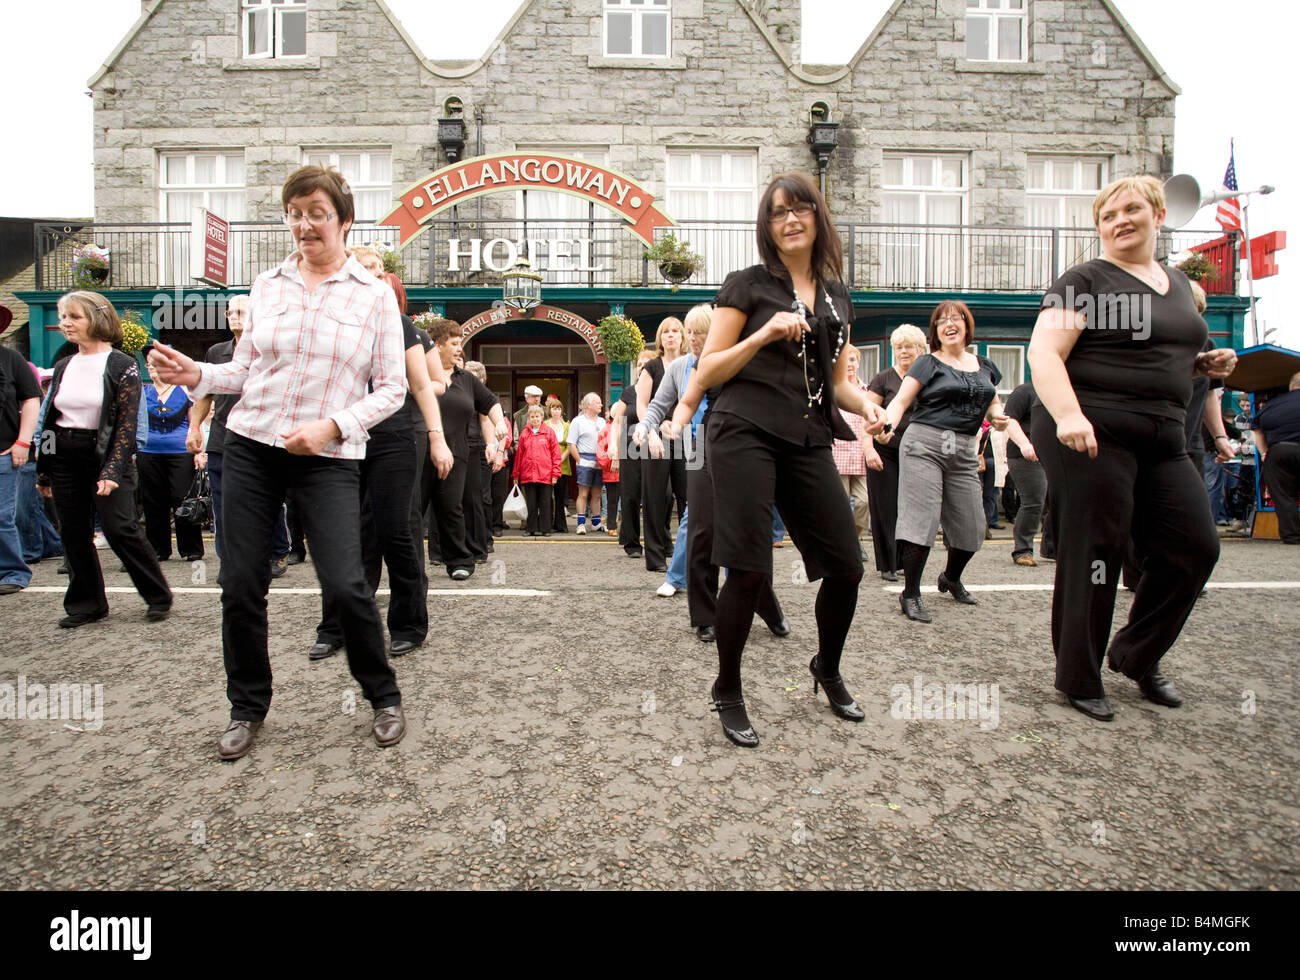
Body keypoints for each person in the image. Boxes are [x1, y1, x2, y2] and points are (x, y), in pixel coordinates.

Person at [147, 165, 409, 758]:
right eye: (295, 213)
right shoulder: (267, 285)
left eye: (317, 212)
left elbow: (391, 388)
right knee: (240, 581)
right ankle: (247, 705)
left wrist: (332, 426)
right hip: (250, 444)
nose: (304, 224)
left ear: (343, 220)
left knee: (345, 582)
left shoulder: (373, 299)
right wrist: (201, 374)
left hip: (328, 453)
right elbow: (245, 369)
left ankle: (382, 693)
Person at [1027, 174, 1235, 722]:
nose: (1120, 221)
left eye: (1131, 210)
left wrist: (1204, 365)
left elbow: (1171, 354)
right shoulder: (1084, 279)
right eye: (1108, 215)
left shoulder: (1177, 285)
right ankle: (1078, 675)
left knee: (1195, 546)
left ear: (1158, 216)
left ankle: (1136, 655)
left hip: (1165, 435)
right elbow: (1044, 352)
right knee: (1098, 551)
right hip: (1092, 427)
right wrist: (1069, 415)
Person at [691, 171, 887, 747]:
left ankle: (825, 667)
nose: (790, 219)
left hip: (807, 437)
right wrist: (762, 335)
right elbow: (707, 371)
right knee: (749, 568)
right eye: (778, 213)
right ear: (766, 226)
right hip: (743, 429)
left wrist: (867, 406)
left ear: (818, 217)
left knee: (847, 566)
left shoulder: (837, 294)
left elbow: (835, 382)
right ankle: (728, 687)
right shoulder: (747, 285)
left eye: (801, 208)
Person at [311, 251, 454, 661]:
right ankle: (335, 626)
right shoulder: (333, 321)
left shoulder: (400, 325)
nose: (370, 275)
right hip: (343, 435)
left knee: (397, 531)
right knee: (345, 535)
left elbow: (425, 387)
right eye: (361, 268)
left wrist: (437, 438)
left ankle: (408, 625)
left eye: (377, 270)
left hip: (392, 436)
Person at [37, 291, 173, 626]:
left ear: (97, 319)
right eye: (63, 316)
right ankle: (87, 604)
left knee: (119, 528)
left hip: (106, 454)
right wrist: (44, 471)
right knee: (72, 530)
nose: (66, 323)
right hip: (65, 456)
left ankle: (158, 595)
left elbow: (126, 424)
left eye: (74, 317)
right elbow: (51, 420)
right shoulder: (63, 365)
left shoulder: (122, 365)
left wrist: (112, 471)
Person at [884, 300, 1007, 623]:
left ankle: (950, 577)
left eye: (956, 319)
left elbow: (992, 403)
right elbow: (900, 401)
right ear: (936, 331)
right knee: (921, 521)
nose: (949, 324)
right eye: (942, 321)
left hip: (965, 450)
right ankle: (910, 592)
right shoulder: (927, 363)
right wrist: (887, 424)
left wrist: (998, 417)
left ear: (967, 326)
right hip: (924, 444)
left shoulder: (985, 366)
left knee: (973, 528)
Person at [187, 295, 294, 578]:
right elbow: (204, 395)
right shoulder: (216, 352)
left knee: (267, 501)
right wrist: (194, 427)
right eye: (231, 312)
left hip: (261, 438)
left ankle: (277, 552)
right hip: (223, 439)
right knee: (223, 506)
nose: (235, 316)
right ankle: (229, 561)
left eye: (241, 312)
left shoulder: (269, 352)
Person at [426, 317, 508, 580]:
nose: (459, 348)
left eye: (460, 343)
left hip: (457, 453)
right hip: (420, 450)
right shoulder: (420, 373)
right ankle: (412, 564)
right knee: (415, 510)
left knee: (452, 507)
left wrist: (499, 425)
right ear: (438, 345)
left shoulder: (466, 380)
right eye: (454, 343)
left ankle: (460, 560)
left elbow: (490, 401)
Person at [863, 324, 924, 582]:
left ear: (921, 349)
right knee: (885, 508)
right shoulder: (883, 379)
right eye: (898, 347)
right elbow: (866, 417)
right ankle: (887, 564)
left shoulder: (927, 379)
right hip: (885, 451)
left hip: (919, 452)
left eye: (908, 346)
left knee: (910, 509)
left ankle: (903, 560)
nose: (903, 351)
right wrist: (868, 448)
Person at [637, 318, 688, 571]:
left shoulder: (691, 364)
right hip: (657, 435)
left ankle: (691, 555)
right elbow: (643, 404)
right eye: (665, 332)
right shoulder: (652, 368)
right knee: (655, 498)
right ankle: (655, 557)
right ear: (660, 338)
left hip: (688, 436)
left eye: (675, 331)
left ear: (683, 336)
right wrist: (651, 433)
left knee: (689, 497)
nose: (671, 336)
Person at [137, 370, 203, 562]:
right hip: (148, 451)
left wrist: (199, 452)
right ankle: (157, 549)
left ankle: (191, 549)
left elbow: (194, 424)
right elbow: (135, 421)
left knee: (182, 498)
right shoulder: (143, 391)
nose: (153, 370)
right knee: (152, 500)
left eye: (157, 365)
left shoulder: (185, 391)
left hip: (180, 450)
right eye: (149, 366)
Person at [0, 338, 42, 595]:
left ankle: (12, 572)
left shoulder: (11, 359)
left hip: (4, 449)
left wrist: (23, 442)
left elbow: (31, 400)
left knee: (2, 516)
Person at [611, 349, 655, 556]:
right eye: (639, 364)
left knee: (659, 496)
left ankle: (659, 541)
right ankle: (632, 544)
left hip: (655, 448)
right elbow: (617, 421)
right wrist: (614, 447)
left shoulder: (661, 391)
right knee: (629, 496)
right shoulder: (628, 391)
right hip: (630, 449)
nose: (642, 367)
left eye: (647, 364)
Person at [831, 345, 871, 559]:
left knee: (865, 501)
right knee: (842, 503)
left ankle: (854, 539)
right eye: (845, 360)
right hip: (838, 452)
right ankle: (846, 546)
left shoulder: (868, 391)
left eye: (853, 360)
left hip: (861, 453)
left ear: (858, 363)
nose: (849, 364)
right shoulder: (832, 389)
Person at [1001, 381, 1046, 566]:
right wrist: (1024, 444)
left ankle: (1053, 548)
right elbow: (1010, 420)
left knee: (1059, 503)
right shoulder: (1025, 391)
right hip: (1025, 456)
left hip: (1052, 454)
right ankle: (1023, 550)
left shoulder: (1058, 391)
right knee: (1033, 501)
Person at [1253, 371, 1300, 544]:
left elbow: (1257, 430)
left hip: (1279, 451)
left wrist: (1264, 452)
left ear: (1291, 386)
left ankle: (1292, 537)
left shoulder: (1272, 405)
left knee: (1283, 496)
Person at [514, 403, 560, 535]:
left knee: (545, 503)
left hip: (545, 475)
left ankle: (546, 529)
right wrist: (516, 475)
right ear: (529, 418)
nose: (535, 419)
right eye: (532, 416)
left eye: (537, 416)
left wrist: (555, 474)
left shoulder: (549, 432)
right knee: (531, 504)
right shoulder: (524, 433)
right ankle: (531, 529)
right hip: (528, 475)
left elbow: (555, 454)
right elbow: (519, 456)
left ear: (542, 417)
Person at [567, 392, 606, 533]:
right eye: (598, 402)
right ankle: (581, 523)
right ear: (588, 404)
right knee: (583, 493)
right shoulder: (577, 421)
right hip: (584, 458)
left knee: (597, 494)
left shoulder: (602, 422)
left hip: (600, 459)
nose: (601, 405)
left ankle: (596, 523)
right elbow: (571, 444)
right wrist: (579, 461)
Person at [544, 395, 571, 532]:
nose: (556, 411)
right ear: (549, 410)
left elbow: (569, 445)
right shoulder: (545, 425)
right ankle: (547, 524)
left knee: (560, 496)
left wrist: (560, 458)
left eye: (559, 408)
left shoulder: (567, 425)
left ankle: (560, 525)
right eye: (554, 408)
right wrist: (551, 459)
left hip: (563, 464)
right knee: (547, 496)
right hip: (547, 464)